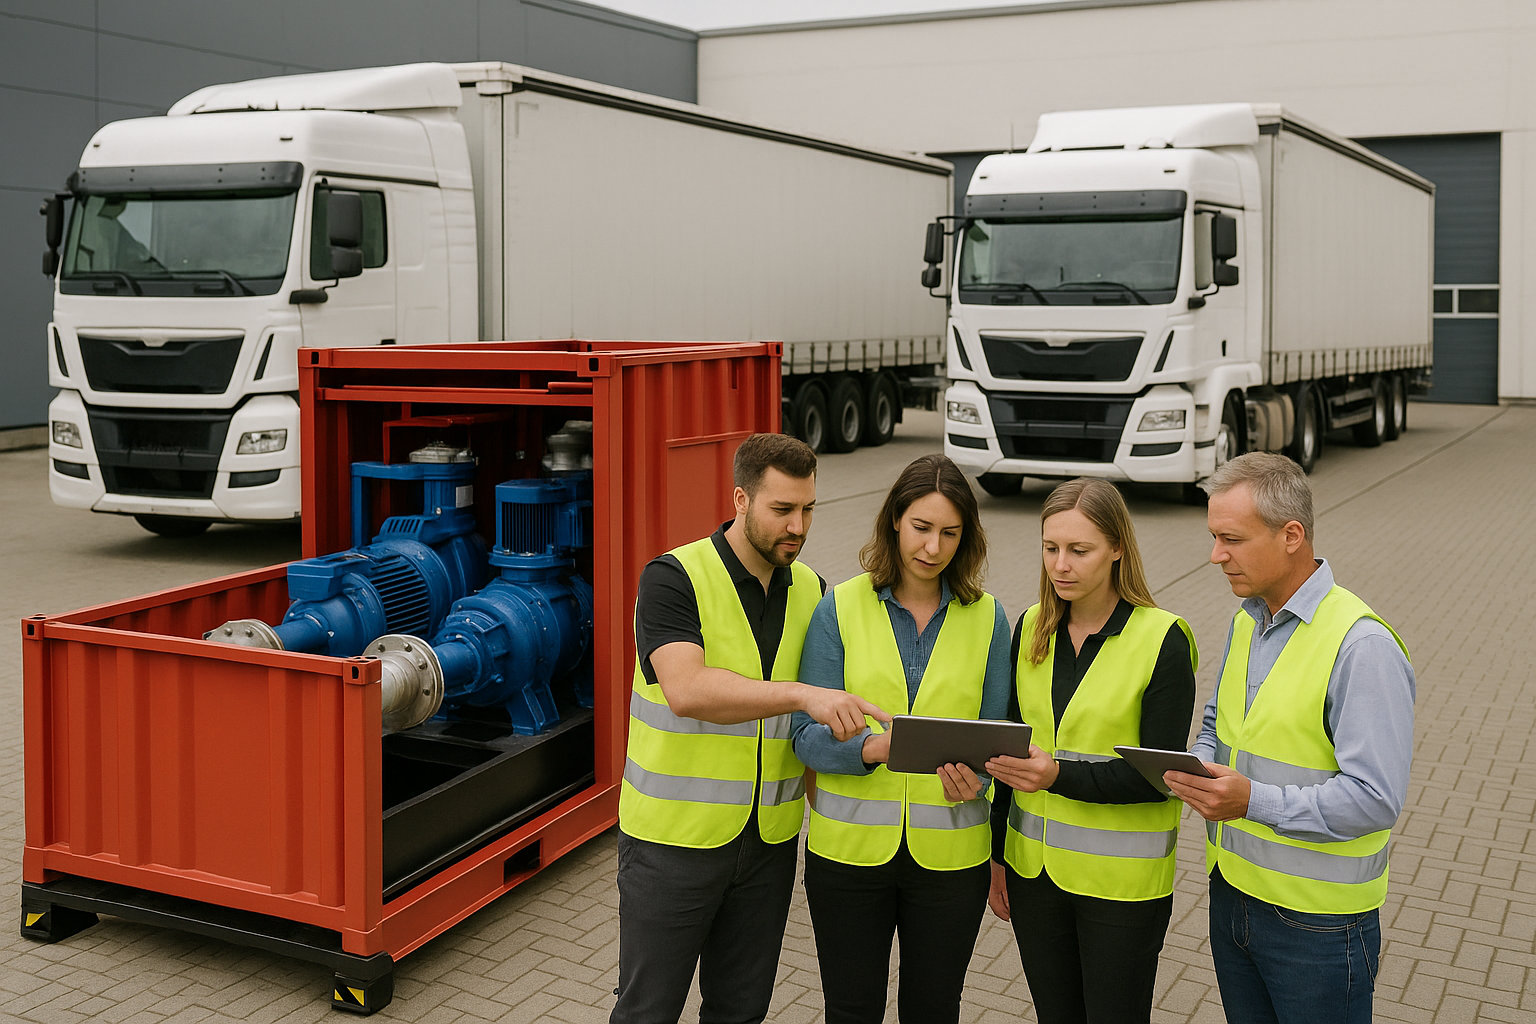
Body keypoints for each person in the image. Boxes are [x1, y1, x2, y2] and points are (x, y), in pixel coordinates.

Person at [613, 432, 890, 1024]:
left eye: (808, 509)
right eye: (782, 509)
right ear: (740, 499)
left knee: (741, 1011)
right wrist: (803, 694)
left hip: (769, 843)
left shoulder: (812, 589)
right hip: (673, 842)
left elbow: (813, 728)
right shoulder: (673, 577)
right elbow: (687, 691)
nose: (798, 526)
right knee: (647, 1011)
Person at [1165, 452, 1415, 1024]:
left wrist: (1250, 800)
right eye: (1213, 537)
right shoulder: (1247, 619)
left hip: (1319, 926)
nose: (1215, 555)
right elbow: (1219, 723)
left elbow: (1375, 800)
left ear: (1291, 536)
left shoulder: (1362, 647)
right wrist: (1196, 768)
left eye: (1231, 539)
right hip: (1234, 896)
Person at [790, 453, 1012, 1024]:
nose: (933, 547)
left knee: (933, 1010)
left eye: (949, 533)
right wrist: (872, 749)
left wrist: (978, 777)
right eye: (921, 527)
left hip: (952, 861)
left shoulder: (989, 619)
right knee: (851, 1009)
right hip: (848, 857)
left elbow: (997, 740)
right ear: (894, 519)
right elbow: (804, 737)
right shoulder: (838, 608)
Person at [984, 477, 1197, 1024]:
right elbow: (1012, 753)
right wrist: (998, 856)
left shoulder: (1163, 640)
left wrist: (1057, 776)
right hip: (1035, 877)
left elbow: (1159, 777)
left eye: (1080, 550)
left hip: (1121, 890)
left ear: (1118, 547)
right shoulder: (1031, 627)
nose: (1061, 565)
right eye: (1050, 548)